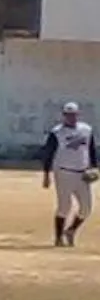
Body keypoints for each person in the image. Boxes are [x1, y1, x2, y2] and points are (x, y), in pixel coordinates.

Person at [42, 101, 99, 247]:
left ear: (78, 115)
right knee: (64, 206)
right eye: (68, 115)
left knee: (86, 208)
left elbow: (91, 150)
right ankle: (59, 237)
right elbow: (48, 153)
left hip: (82, 173)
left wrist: (94, 167)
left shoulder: (86, 129)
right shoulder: (57, 132)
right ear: (63, 116)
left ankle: (71, 230)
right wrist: (46, 175)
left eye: (73, 114)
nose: (71, 117)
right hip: (63, 172)